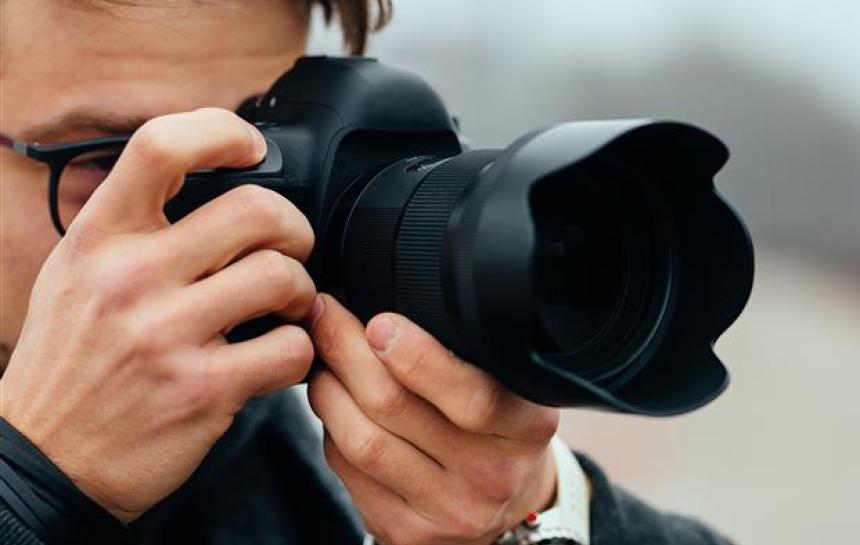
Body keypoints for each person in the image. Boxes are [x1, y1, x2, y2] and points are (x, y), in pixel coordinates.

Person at [0, 1, 734, 544]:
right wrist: (33, 478)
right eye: (108, 161)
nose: (223, 222)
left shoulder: (329, 478)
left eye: (260, 151)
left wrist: (536, 516)